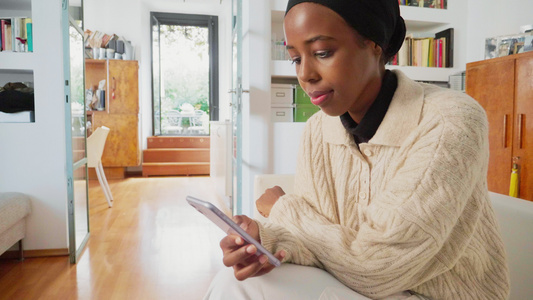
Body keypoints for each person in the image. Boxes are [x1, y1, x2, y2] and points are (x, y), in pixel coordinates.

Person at [205, 0, 510, 299]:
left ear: (375, 44)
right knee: (236, 282)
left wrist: (285, 209)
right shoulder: (316, 131)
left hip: (432, 294)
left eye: (322, 52)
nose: (305, 74)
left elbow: (379, 267)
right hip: (351, 283)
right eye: (296, 58)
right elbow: (319, 239)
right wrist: (266, 239)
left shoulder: (450, 120)